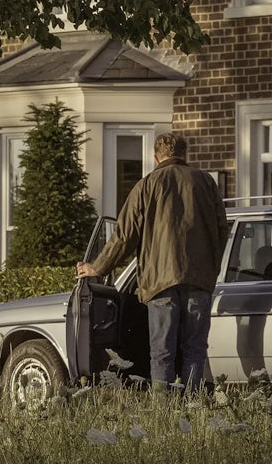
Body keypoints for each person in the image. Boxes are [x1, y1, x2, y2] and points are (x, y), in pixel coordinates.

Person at [76, 132, 229, 390]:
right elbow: (221, 230)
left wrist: (97, 267)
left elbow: (125, 236)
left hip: (160, 281)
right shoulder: (206, 183)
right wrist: (211, 269)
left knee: (162, 352)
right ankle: (193, 406)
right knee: (195, 350)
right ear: (185, 154)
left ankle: (164, 413)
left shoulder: (147, 185)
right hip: (199, 279)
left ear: (156, 157)